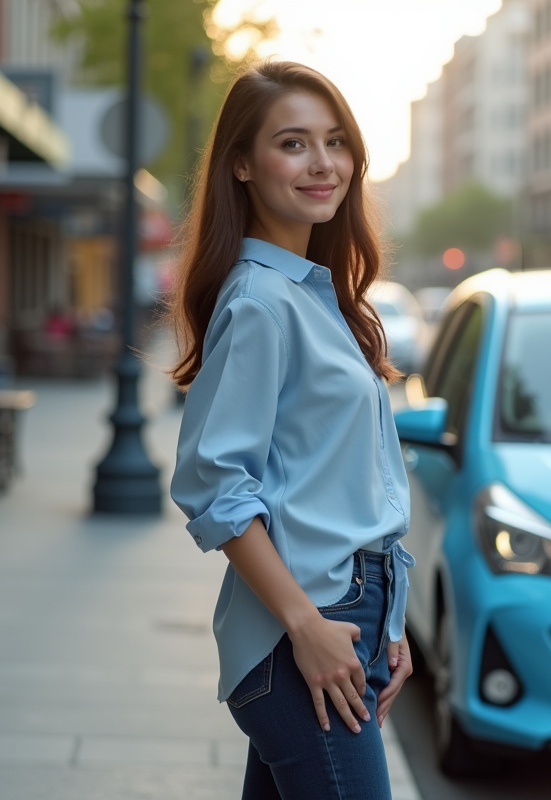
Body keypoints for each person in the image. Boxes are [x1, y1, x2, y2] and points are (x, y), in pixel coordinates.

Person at [168, 61, 415, 800]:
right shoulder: (261, 304)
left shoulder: (319, 298)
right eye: (294, 143)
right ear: (241, 163)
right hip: (302, 626)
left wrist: (390, 624)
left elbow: (352, 483)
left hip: (347, 614)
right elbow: (215, 488)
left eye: (335, 142)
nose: (322, 164)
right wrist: (307, 626)